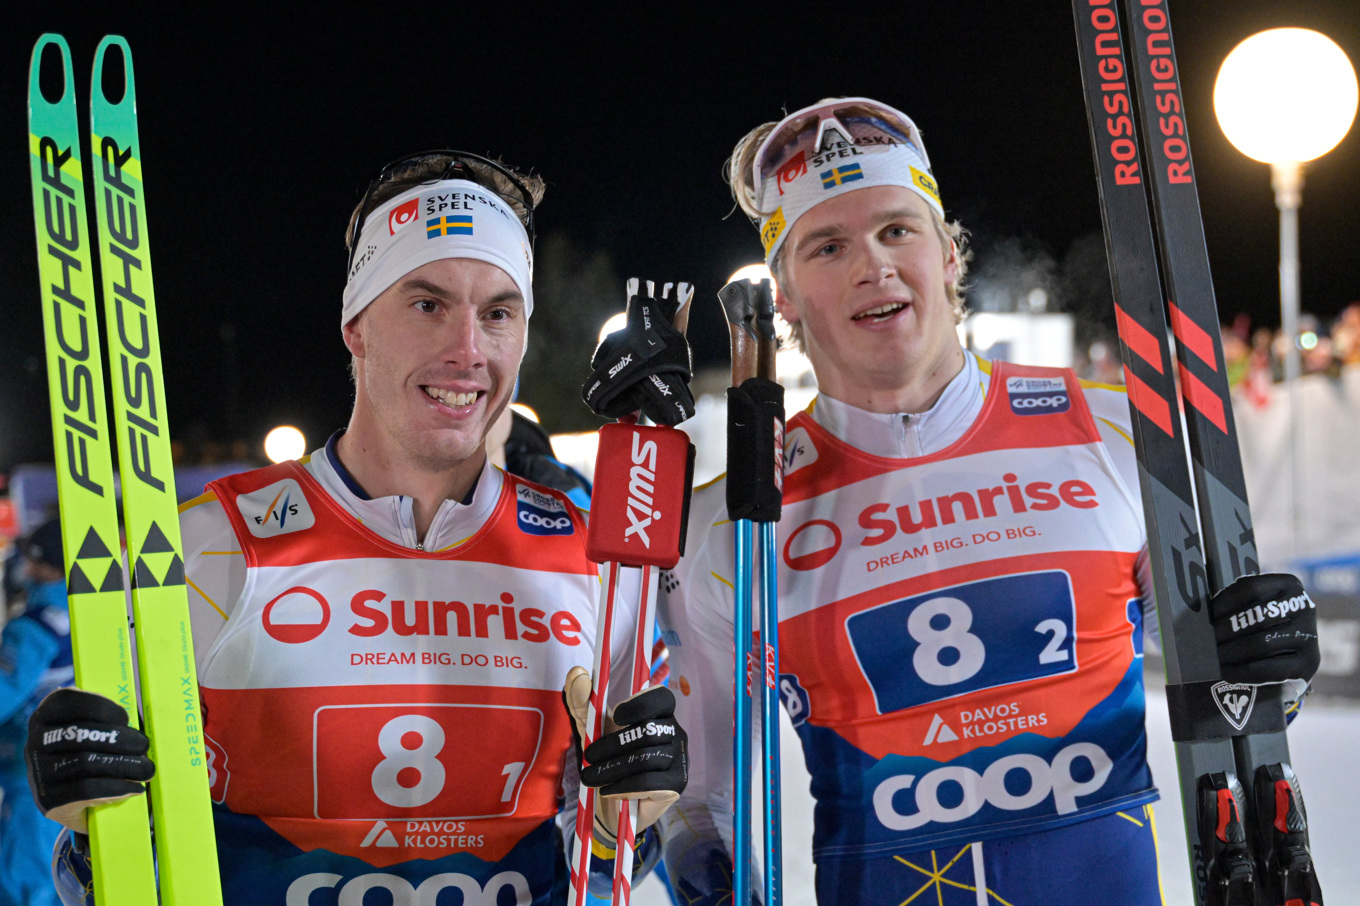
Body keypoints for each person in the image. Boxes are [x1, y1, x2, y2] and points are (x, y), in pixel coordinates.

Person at [657, 98, 1320, 904]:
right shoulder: (733, 524)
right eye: (828, 246)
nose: (874, 266)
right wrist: (705, 876)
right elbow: (699, 800)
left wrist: (1272, 657)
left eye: (897, 230)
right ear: (786, 297)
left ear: (948, 255)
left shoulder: (1113, 433)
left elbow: (1227, 693)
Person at [24, 151, 686, 905]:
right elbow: (108, 875)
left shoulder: (595, 560)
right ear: (356, 325)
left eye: (498, 313)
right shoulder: (209, 547)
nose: (468, 351)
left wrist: (619, 830)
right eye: (428, 304)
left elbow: (610, 866)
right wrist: (91, 824)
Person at [0, 520, 72, 906]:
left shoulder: (36, 625)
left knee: (25, 878)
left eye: (34, 561)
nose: (27, 569)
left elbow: (3, 692)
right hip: (80, 763)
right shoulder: (102, 615)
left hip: (31, 770)